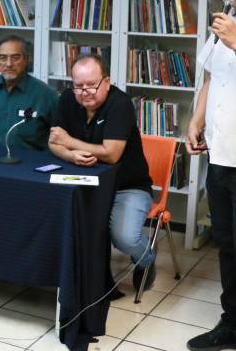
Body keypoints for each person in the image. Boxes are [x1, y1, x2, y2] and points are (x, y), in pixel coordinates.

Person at [185, 0, 236, 351]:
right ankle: (230, 323)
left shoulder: (235, 33)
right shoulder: (225, 23)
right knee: (226, 249)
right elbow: (210, 79)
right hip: (220, 159)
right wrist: (195, 123)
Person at [48, 55, 156, 294]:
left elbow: (111, 153)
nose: (85, 91)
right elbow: (54, 141)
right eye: (78, 85)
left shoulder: (120, 104)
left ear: (106, 82)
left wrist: (69, 142)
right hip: (82, 183)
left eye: (91, 85)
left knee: (125, 239)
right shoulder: (66, 99)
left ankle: (146, 259)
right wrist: (69, 155)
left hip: (127, 186)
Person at [0, 35, 57, 149]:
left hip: (30, 163)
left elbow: (59, 141)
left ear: (26, 59)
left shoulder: (46, 95)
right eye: (3, 57)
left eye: (15, 57)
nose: (9, 64)